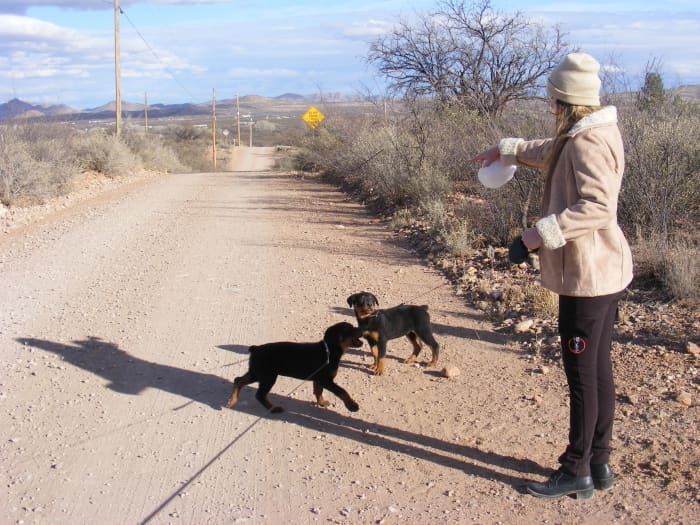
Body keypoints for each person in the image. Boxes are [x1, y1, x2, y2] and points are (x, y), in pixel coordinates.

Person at [469, 52, 633, 499]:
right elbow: (549, 150)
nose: (550, 106)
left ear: (567, 101)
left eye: (554, 99)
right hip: (599, 273)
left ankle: (574, 470)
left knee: (582, 377)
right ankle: (598, 463)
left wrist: (535, 237)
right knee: (597, 369)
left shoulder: (588, 142)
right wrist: (506, 150)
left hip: (588, 275)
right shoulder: (586, 132)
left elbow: (598, 208)